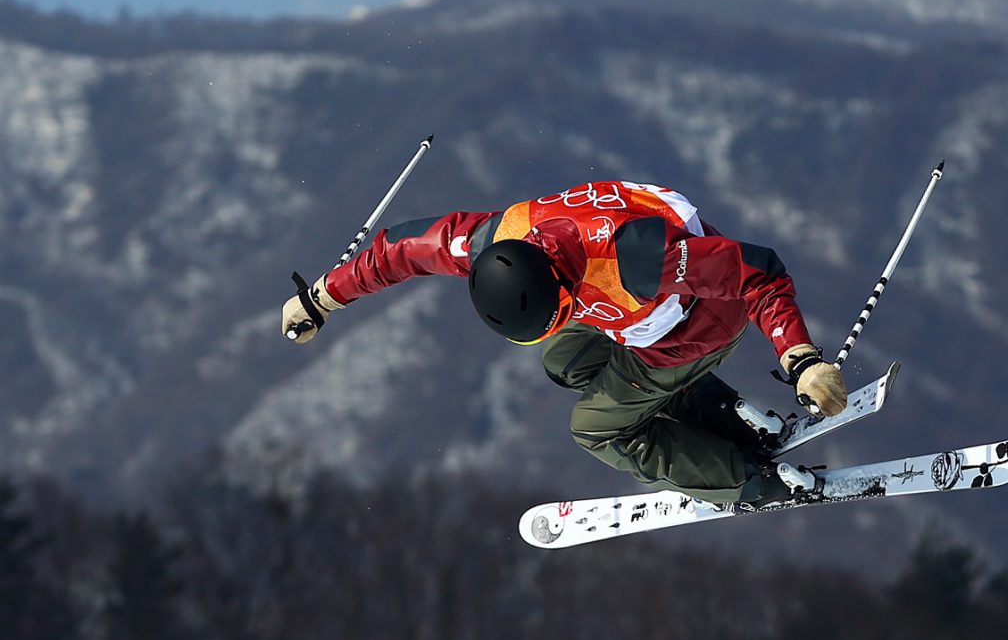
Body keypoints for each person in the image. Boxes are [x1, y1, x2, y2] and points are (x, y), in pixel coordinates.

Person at [281, 181, 846, 506]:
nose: (562, 319)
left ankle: (745, 482)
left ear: (557, 281)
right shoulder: (494, 239)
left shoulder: (635, 261)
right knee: (564, 356)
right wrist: (322, 299)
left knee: (595, 429)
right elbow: (400, 251)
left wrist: (800, 359)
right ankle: (729, 417)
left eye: (560, 312)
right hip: (632, 312)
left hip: (695, 325)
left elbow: (759, 273)